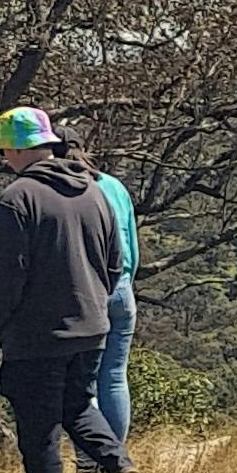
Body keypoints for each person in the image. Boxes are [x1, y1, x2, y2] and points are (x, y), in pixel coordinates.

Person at [0, 105, 146, 473]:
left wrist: (6, 324)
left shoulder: (17, 199)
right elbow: (115, 264)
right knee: (77, 406)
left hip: (38, 336)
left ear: (18, 149)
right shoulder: (94, 192)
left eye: (5, 149)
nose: (3, 158)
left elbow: (6, 276)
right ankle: (119, 466)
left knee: (40, 438)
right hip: (92, 327)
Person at [90, 153, 140, 445]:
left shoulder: (74, 189)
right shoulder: (115, 186)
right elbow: (132, 243)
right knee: (115, 377)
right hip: (122, 285)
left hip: (90, 288)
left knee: (86, 382)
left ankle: (92, 460)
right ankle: (117, 457)